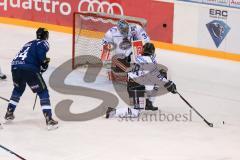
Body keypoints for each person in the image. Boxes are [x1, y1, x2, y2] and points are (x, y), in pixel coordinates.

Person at [4, 27, 58, 130]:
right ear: (45, 35)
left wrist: (40, 65)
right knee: (42, 91)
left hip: (15, 67)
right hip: (29, 69)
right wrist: (44, 63)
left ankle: (9, 112)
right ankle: (49, 119)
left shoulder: (28, 43)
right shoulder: (43, 43)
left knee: (18, 89)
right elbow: (41, 56)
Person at [106, 43, 177, 118]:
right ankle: (113, 112)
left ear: (143, 50)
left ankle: (149, 103)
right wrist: (169, 84)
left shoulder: (137, 57)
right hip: (136, 87)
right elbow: (157, 76)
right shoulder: (151, 61)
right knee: (135, 112)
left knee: (155, 82)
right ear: (153, 52)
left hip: (134, 83)